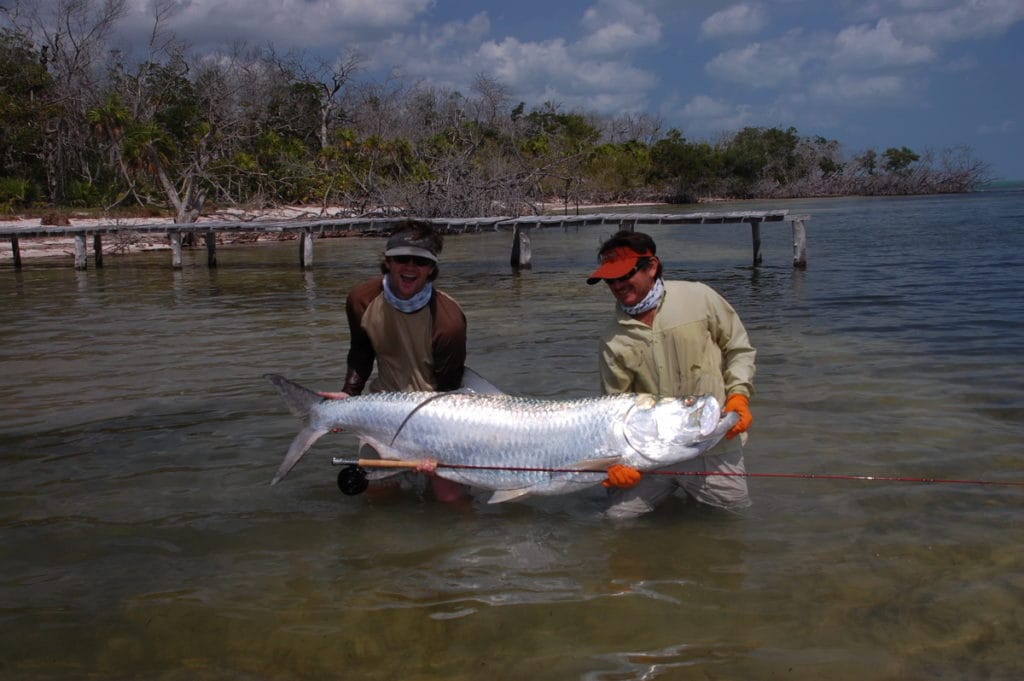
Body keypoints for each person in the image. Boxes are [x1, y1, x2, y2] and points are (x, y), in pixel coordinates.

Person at [586, 230, 755, 518]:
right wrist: (616, 463)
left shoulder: (700, 297)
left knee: (734, 520)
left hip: (713, 446)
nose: (616, 285)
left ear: (651, 266)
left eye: (624, 275)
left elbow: (739, 349)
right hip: (648, 456)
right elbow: (615, 407)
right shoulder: (612, 338)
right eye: (609, 279)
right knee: (617, 519)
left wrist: (739, 394)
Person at [320, 220, 468, 502]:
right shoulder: (361, 299)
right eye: (401, 258)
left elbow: (451, 390)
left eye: (420, 261)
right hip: (382, 410)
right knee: (378, 495)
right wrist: (349, 394)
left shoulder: (449, 320)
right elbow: (361, 352)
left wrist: (434, 446)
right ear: (387, 262)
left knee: (450, 499)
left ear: (431, 269)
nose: (410, 267)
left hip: (436, 416)